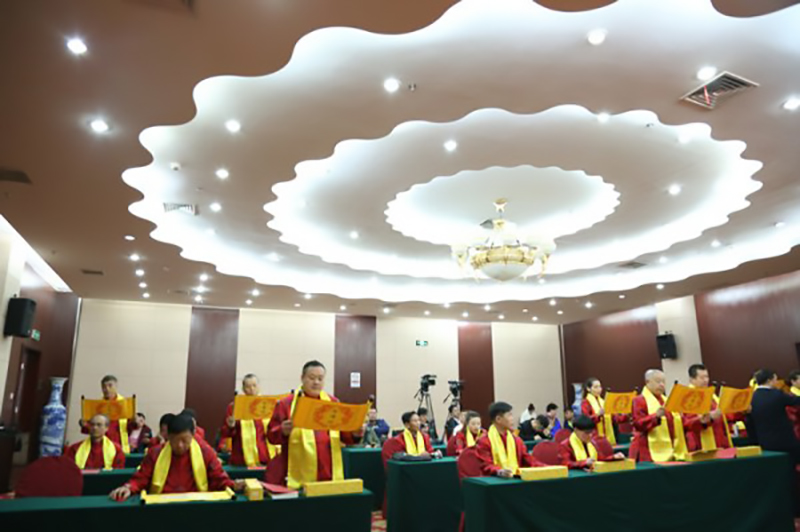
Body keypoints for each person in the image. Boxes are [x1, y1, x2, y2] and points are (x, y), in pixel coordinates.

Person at [266, 360, 362, 488]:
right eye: (311, 378)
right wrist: (282, 430)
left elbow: (345, 436)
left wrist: (355, 433)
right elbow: (271, 436)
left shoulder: (332, 403)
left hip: (328, 470)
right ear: (302, 378)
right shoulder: (286, 404)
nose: (316, 382)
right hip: (296, 472)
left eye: (320, 379)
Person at [109, 414, 244, 501]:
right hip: (162, 503)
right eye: (174, 440)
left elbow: (219, 478)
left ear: (193, 435)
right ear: (168, 436)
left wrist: (234, 485)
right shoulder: (155, 453)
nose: (179, 445)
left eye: (184, 440)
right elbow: (141, 478)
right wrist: (128, 487)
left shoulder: (205, 452)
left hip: (196, 504)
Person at [630, 369, 688, 462]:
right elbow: (638, 424)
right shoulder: (639, 400)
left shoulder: (666, 401)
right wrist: (655, 416)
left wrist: (679, 417)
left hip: (671, 450)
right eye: (658, 381)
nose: (662, 385)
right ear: (647, 382)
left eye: (663, 382)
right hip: (646, 450)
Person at [475, 401, 545, 477]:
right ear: (498, 419)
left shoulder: (516, 440)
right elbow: (486, 465)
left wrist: (546, 468)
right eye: (509, 415)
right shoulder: (484, 441)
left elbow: (529, 460)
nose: (512, 419)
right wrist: (499, 471)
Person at [220, 374, 276, 467]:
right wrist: (231, 426)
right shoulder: (234, 407)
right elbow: (225, 433)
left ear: (259, 386)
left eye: (254, 385)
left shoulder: (267, 405)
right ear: (243, 389)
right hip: (241, 457)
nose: (252, 389)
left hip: (264, 456)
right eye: (248, 386)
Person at [682, 364, 739, 452]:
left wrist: (740, 411)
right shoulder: (689, 397)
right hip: (701, 444)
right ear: (692, 379)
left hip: (719, 441)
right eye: (702, 378)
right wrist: (706, 419)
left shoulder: (711, 395)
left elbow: (724, 415)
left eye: (707, 377)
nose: (706, 380)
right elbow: (686, 423)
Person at [748, 369, 800, 464]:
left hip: (764, 441)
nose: (777, 382)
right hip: (785, 440)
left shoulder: (751, 397)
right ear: (769, 380)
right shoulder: (776, 394)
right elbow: (795, 401)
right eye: (775, 379)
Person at [80, 375, 133, 454]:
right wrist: (84, 425)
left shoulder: (125, 404)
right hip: (102, 446)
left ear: (116, 386)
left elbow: (131, 427)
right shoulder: (97, 406)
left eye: (110, 386)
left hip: (120, 446)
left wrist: (134, 422)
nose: (107, 389)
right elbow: (92, 428)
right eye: (104, 387)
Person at [559, 415, 625, 470]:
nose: (590, 435)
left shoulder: (592, 443)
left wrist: (613, 457)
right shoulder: (565, 445)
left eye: (591, 432)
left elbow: (600, 460)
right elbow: (566, 463)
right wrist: (584, 463)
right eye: (586, 433)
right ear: (576, 430)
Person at [581, 377, 623, 445]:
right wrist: (598, 415)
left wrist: (626, 415)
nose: (599, 389)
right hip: (594, 437)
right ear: (588, 389)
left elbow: (614, 418)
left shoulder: (603, 402)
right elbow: (586, 420)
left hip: (607, 437)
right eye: (596, 387)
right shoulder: (586, 403)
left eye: (600, 387)